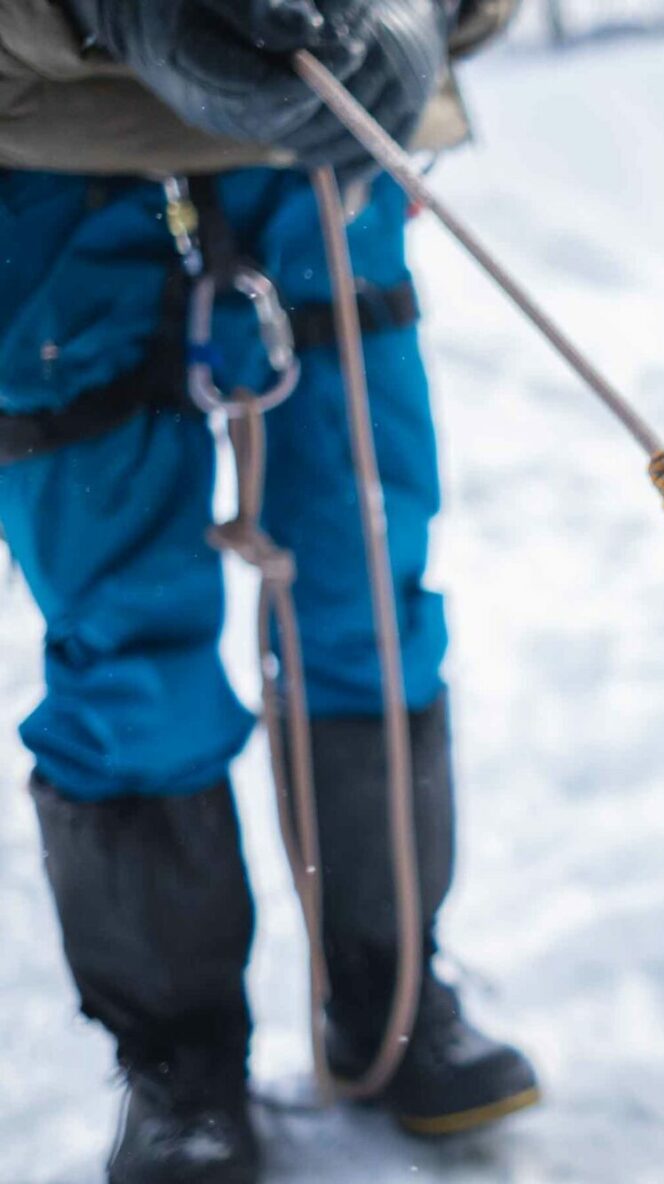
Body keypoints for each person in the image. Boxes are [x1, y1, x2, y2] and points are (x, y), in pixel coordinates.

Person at [0, 2, 538, 1181]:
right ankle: (180, 1061)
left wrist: (434, 11)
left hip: (327, 134)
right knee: (122, 628)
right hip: (53, 161)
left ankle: (390, 985)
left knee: (367, 576)